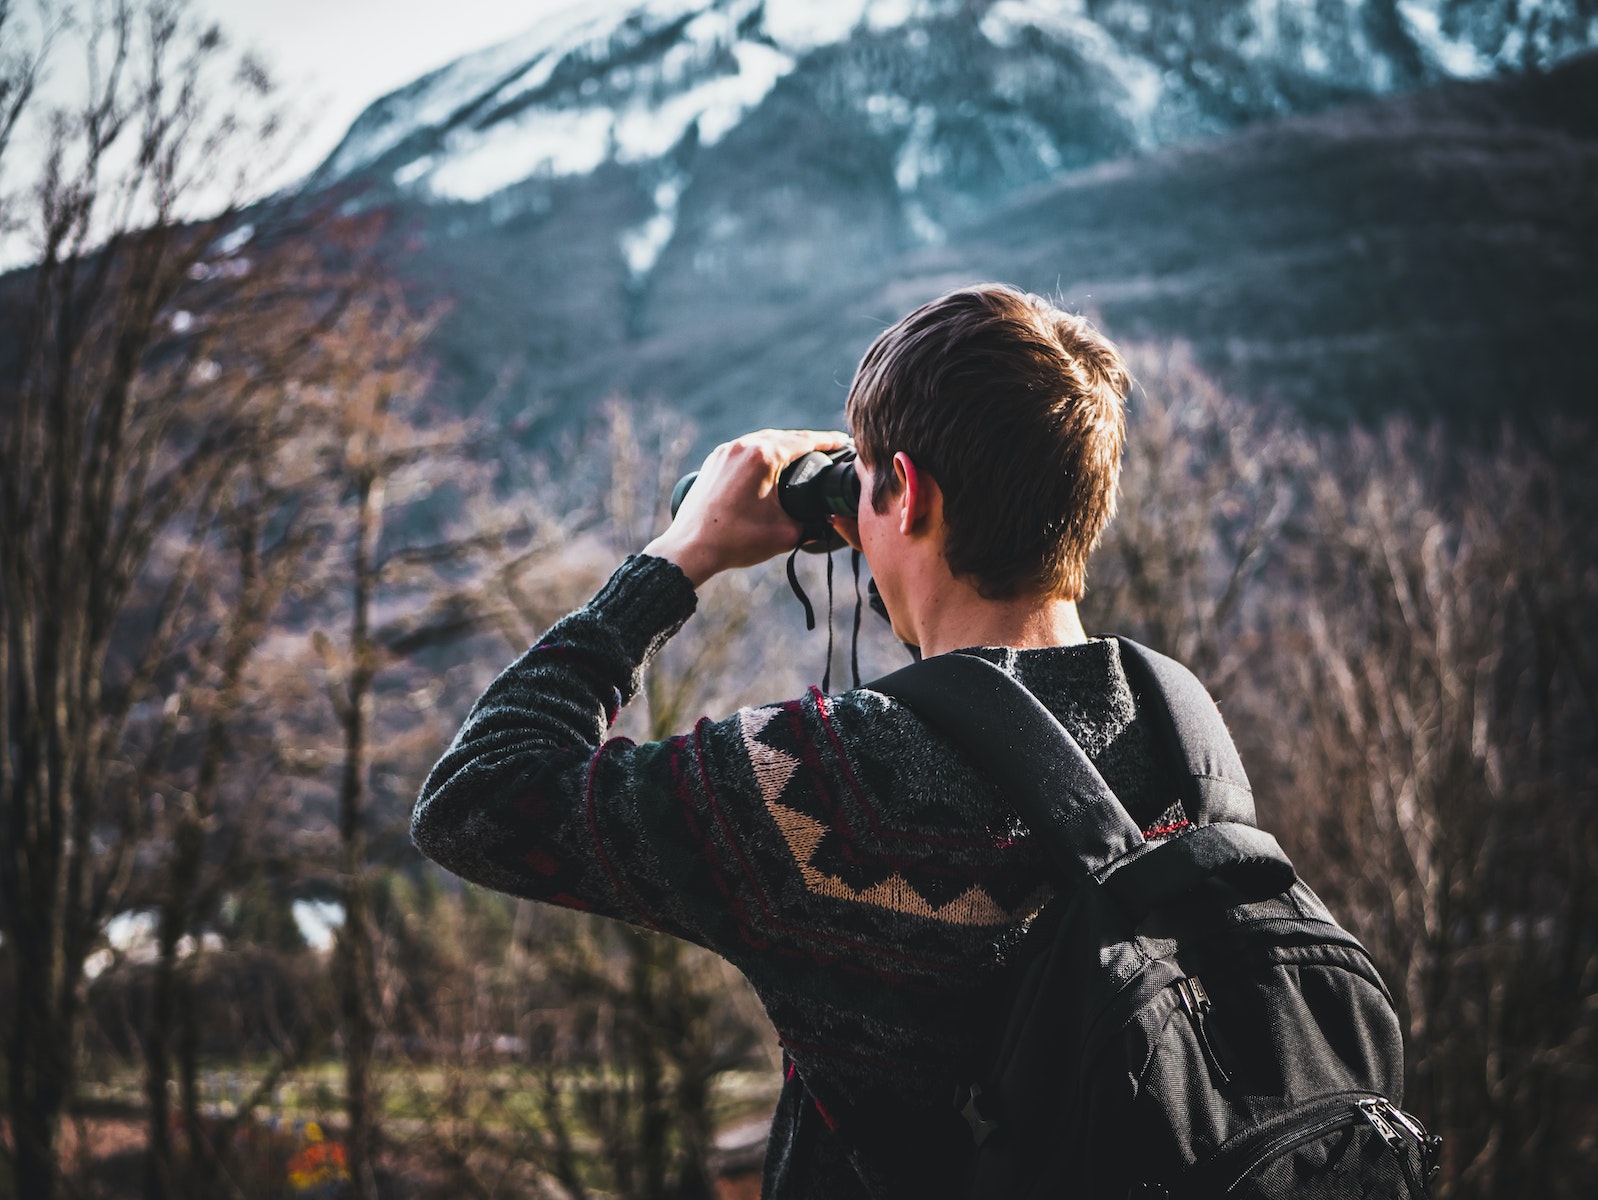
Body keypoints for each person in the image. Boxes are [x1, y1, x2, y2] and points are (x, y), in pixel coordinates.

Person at [412, 283, 1182, 1198]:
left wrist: (678, 555)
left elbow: (477, 797)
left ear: (907, 493)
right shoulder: (1180, 738)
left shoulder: (834, 795)